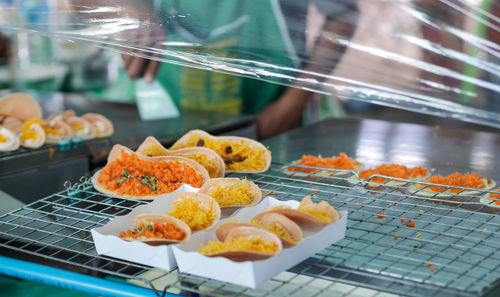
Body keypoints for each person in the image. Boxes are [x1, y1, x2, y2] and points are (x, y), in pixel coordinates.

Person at [120, 0, 359, 139]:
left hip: (273, 123)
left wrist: (291, 105)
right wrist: (127, 6)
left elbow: (344, 15)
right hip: (162, 115)